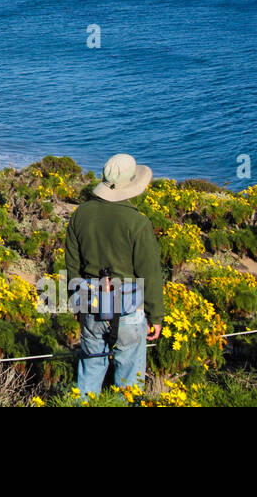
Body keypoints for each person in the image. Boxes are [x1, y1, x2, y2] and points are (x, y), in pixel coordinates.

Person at [65, 153, 165, 398]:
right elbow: (150, 274)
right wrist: (156, 317)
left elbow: (72, 266)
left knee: (90, 371)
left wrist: (76, 304)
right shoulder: (138, 223)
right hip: (129, 311)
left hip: (91, 304)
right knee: (129, 383)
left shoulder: (80, 215)